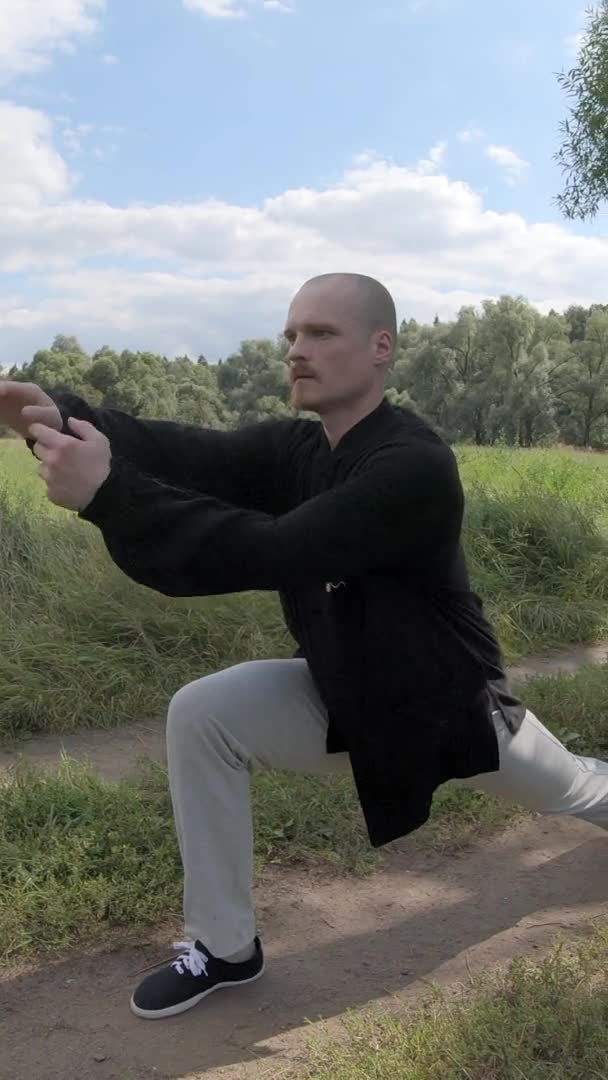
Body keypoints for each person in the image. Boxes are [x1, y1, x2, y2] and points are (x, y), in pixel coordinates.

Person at [1, 273, 607, 1023]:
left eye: (321, 333)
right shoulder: (299, 447)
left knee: (578, 791)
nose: (296, 350)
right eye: (291, 334)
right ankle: (225, 947)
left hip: (444, 705)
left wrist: (108, 494)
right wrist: (50, 412)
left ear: (381, 348)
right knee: (204, 713)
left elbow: (277, 550)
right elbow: (185, 451)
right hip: (343, 687)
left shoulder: (412, 465)